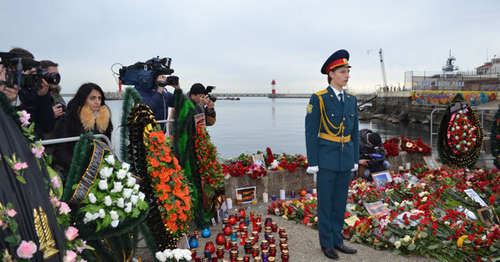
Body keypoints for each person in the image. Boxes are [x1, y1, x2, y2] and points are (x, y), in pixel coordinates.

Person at [305, 49, 359, 259]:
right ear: (331, 74)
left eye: (348, 71)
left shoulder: (351, 99)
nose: (347, 75)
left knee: (340, 202)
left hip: (345, 159)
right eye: (343, 71)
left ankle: (337, 239)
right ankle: (326, 243)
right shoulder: (319, 98)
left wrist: (355, 159)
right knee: (325, 203)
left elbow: (354, 131)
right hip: (326, 158)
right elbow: (311, 132)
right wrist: (313, 162)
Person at [52, 83, 113, 177]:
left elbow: (107, 146)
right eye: (92, 98)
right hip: (74, 169)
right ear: (83, 99)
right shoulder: (68, 119)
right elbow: (60, 149)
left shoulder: (104, 120)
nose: (97, 102)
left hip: (100, 169)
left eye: (99, 98)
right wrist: (75, 168)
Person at [1, 48, 55, 139]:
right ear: (11, 69)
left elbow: (47, 126)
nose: (31, 75)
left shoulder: (33, 92)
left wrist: (43, 95)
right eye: (28, 70)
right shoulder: (3, 91)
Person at [40, 59, 65, 139]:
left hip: (58, 138)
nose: (55, 78)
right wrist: (50, 114)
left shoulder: (56, 93)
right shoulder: (36, 94)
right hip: (44, 141)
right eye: (52, 75)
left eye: (57, 75)